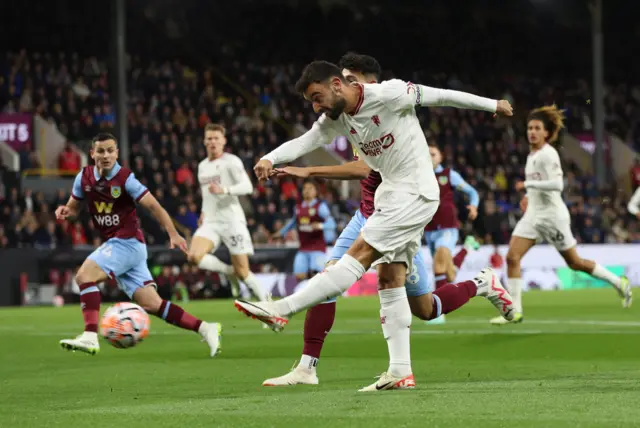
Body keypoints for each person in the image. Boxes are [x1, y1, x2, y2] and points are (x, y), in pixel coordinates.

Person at [236, 59, 518, 391]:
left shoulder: (390, 94)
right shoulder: (336, 119)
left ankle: (282, 308)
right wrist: (270, 157)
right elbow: (304, 142)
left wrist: (492, 105)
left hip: (414, 192)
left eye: (317, 96)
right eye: (311, 101)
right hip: (390, 195)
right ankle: (400, 370)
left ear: (337, 84)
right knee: (391, 279)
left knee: (358, 255)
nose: (316, 105)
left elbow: (440, 96)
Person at [57, 133, 222, 356]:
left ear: (117, 153)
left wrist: (173, 233)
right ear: (92, 153)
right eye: (101, 151)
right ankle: (205, 328)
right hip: (123, 246)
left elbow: (154, 207)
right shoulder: (83, 177)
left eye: (110, 151)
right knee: (152, 304)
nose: (106, 155)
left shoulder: (126, 179)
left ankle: (89, 336)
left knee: (84, 276)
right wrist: (66, 211)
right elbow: (74, 208)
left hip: (127, 242)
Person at [490, 106, 632, 325]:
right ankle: (514, 311)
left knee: (574, 262)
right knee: (512, 257)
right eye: (529, 128)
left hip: (553, 218)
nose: (532, 132)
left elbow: (557, 184)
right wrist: (529, 195)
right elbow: (540, 185)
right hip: (534, 216)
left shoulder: (549, 154)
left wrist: (527, 184)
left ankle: (617, 281)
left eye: (537, 128)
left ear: (547, 133)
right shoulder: (532, 155)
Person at [187, 124, 266, 300]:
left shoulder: (232, 161)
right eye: (209, 138)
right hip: (211, 221)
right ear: (204, 142)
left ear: (223, 141)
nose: (212, 141)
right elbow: (207, 195)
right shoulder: (202, 166)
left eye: (216, 138)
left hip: (232, 221)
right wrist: (203, 212)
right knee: (193, 256)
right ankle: (229, 272)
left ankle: (270, 308)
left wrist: (225, 189)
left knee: (243, 272)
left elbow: (247, 187)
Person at [425, 144, 481, 324]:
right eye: (426, 154)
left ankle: (437, 312)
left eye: (433, 154)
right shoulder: (419, 176)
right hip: (428, 229)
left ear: (440, 157)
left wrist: (473, 205)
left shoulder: (449, 175)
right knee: (448, 274)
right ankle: (467, 248)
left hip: (448, 227)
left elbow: (471, 191)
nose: (429, 157)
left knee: (439, 266)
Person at [275, 180, 335, 282]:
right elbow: (293, 222)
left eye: (310, 188)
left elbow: (332, 224)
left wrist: (320, 225)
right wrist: (280, 233)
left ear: (315, 192)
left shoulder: (320, 207)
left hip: (317, 248)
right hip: (303, 248)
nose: (307, 191)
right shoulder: (298, 207)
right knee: (299, 276)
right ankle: (310, 294)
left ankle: (323, 295)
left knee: (317, 276)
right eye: (305, 188)